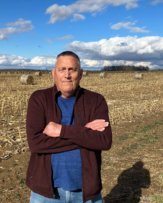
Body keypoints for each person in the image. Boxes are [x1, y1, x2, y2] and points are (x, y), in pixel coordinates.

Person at [26, 51, 112, 203]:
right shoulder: (39, 99)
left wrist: (61, 130)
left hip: (86, 192)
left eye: (72, 69)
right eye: (62, 69)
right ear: (54, 73)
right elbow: (36, 144)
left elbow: (104, 141)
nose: (67, 75)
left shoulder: (96, 100)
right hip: (46, 194)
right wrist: (85, 133)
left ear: (81, 73)